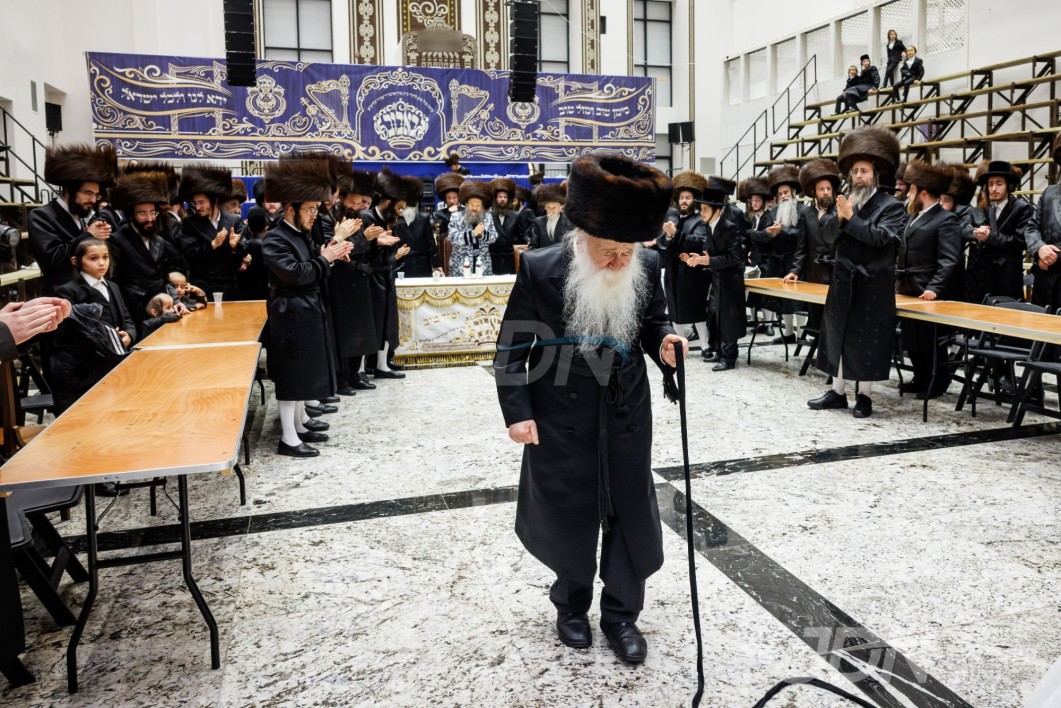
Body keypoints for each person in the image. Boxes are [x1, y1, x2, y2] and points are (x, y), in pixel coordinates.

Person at [493, 153, 685, 664]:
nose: (621, 262)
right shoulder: (541, 268)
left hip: (625, 405)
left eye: (627, 251)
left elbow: (653, 320)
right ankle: (571, 606)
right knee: (568, 506)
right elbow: (512, 347)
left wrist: (665, 341)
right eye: (608, 252)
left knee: (628, 506)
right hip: (559, 406)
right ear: (582, 237)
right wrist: (518, 412)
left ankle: (622, 614)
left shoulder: (647, 264)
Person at [810, 126, 908, 418]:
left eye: (864, 171)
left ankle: (864, 397)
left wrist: (851, 219)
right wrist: (840, 219)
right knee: (837, 335)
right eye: (854, 172)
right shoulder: (845, 202)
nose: (858, 176)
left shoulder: (892, 206)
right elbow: (827, 236)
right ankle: (837, 392)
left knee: (867, 342)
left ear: (875, 175)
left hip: (872, 285)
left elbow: (880, 237)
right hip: (842, 281)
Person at [261, 158, 354, 458]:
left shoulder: (299, 234)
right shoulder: (274, 239)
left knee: (302, 372)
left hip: (305, 309)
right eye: (310, 209)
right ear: (291, 209)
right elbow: (298, 273)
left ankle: (299, 425)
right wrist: (326, 259)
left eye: (316, 209)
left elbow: (315, 261)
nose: (315, 215)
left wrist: (331, 255)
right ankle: (288, 439)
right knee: (291, 375)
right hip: (289, 313)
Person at [895, 160, 963, 398]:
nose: (908, 194)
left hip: (928, 290)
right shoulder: (914, 216)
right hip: (908, 288)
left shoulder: (945, 219)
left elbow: (950, 259)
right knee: (912, 338)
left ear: (923, 193)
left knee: (931, 340)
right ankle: (920, 376)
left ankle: (938, 381)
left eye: (912, 190)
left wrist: (934, 287)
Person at [50, 238, 136, 416]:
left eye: (105, 257)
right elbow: (64, 331)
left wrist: (129, 334)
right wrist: (104, 337)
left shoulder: (113, 286)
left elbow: (126, 317)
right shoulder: (66, 291)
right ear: (76, 261)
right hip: (82, 369)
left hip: (111, 364)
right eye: (93, 258)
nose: (102, 263)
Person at [29, 144, 118, 293]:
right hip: (61, 296)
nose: (93, 200)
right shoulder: (41, 215)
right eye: (88, 193)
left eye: (96, 195)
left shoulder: (80, 216)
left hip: (88, 292)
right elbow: (53, 260)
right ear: (70, 190)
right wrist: (89, 236)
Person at [358, 168, 421, 380]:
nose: (401, 212)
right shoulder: (365, 218)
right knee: (371, 324)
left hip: (386, 278)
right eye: (399, 207)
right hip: (370, 280)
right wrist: (376, 243)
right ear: (387, 203)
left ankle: (382, 365)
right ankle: (361, 369)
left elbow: (387, 256)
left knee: (387, 322)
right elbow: (361, 253)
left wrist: (397, 256)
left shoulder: (389, 221)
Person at [108, 168, 186, 332]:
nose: (149, 219)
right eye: (142, 213)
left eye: (153, 212)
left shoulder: (160, 242)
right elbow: (116, 283)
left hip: (162, 311)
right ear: (131, 215)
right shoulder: (117, 240)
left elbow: (165, 278)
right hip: (134, 314)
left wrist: (176, 302)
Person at [685, 184, 746, 371]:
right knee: (715, 316)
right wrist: (700, 258)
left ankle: (729, 357)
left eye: (705, 209)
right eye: (701, 209)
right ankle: (719, 351)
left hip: (731, 281)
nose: (701, 213)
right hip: (718, 279)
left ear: (717, 211)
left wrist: (709, 260)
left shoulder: (730, 228)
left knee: (728, 319)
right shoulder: (709, 226)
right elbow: (710, 253)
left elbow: (735, 258)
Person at [783, 159, 842, 333]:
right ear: (814, 192)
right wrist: (795, 270)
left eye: (828, 189)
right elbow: (802, 247)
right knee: (816, 318)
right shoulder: (807, 213)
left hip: (835, 272)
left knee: (833, 319)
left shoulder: (840, 211)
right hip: (814, 272)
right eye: (821, 189)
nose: (826, 192)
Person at [966, 161, 1037, 303]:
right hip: (986, 274)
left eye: (999, 184)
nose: (994, 188)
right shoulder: (988, 208)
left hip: (1008, 276)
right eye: (990, 184)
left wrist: (989, 237)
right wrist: (979, 234)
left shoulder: (1023, 208)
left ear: (1008, 186)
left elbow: (1019, 241)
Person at [177, 163, 248, 301]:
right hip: (203, 287)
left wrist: (236, 245)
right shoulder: (190, 223)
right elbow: (189, 253)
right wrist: (212, 245)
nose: (198, 207)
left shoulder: (233, 220)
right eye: (195, 203)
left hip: (231, 287)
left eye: (201, 202)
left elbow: (245, 247)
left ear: (215, 200)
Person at [659, 171, 709, 351]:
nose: (684, 201)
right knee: (675, 313)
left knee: (697, 312)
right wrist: (668, 236)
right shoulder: (674, 219)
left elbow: (698, 241)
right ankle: (680, 346)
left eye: (688, 198)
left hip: (693, 274)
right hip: (673, 273)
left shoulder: (699, 221)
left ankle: (705, 346)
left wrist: (675, 234)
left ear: (694, 200)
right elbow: (663, 244)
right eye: (681, 198)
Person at [1027, 133, 1061, 313]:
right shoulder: (1049, 192)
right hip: (1045, 285)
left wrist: (1052, 257)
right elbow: (1032, 228)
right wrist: (1039, 249)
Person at [447, 180, 498, 277]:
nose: (474, 208)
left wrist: (482, 234)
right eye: (472, 205)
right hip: (461, 265)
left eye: (478, 205)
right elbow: (453, 238)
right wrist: (473, 233)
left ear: (482, 206)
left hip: (483, 265)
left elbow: (494, 237)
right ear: (466, 204)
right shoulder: (456, 217)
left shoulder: (488, 217)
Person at [487, 177, 528, 275]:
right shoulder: (488, 216)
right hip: (493, 257)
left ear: (508, 199)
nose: (502, 199)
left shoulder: (516, 216)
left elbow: (522, 235)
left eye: (505, 197)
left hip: (510, 258)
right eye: (500, 197)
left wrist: (529, 241)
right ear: (495, 199)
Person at [530, 183, 570, 249]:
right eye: (549, 208)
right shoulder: (538, 222)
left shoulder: (568, 222)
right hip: (542, 255)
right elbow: (533, 246)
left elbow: (570, 246)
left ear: (560, 208)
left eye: (554, 208)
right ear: (545, 208)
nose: (551, 211)